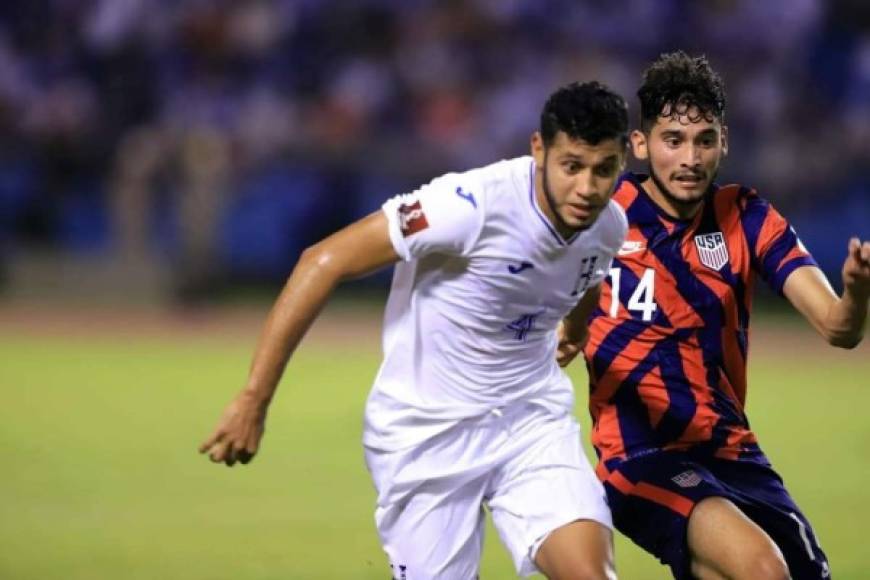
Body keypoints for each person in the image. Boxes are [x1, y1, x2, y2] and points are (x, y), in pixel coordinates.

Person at [199, 81, 631, 579]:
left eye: (604, 170)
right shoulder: (469, 205)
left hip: (530, 423)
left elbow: (588, 273)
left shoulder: (609, 223)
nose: (587, 188)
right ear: (539, 149)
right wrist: (255, 395)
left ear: (622, 159)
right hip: (427, 436)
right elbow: (322, 260)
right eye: (572, 166)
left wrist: (574, 329)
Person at [563, 51, 869, 580]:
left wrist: (857, 292)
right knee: (763, 571)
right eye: (673, 140)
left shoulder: (747, 218)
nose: (690, 157)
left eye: (705, 139)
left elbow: (839, 328)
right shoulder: (604, 216)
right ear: (640, 144)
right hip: (640, 457)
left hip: (733, 452)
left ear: (723, 141)